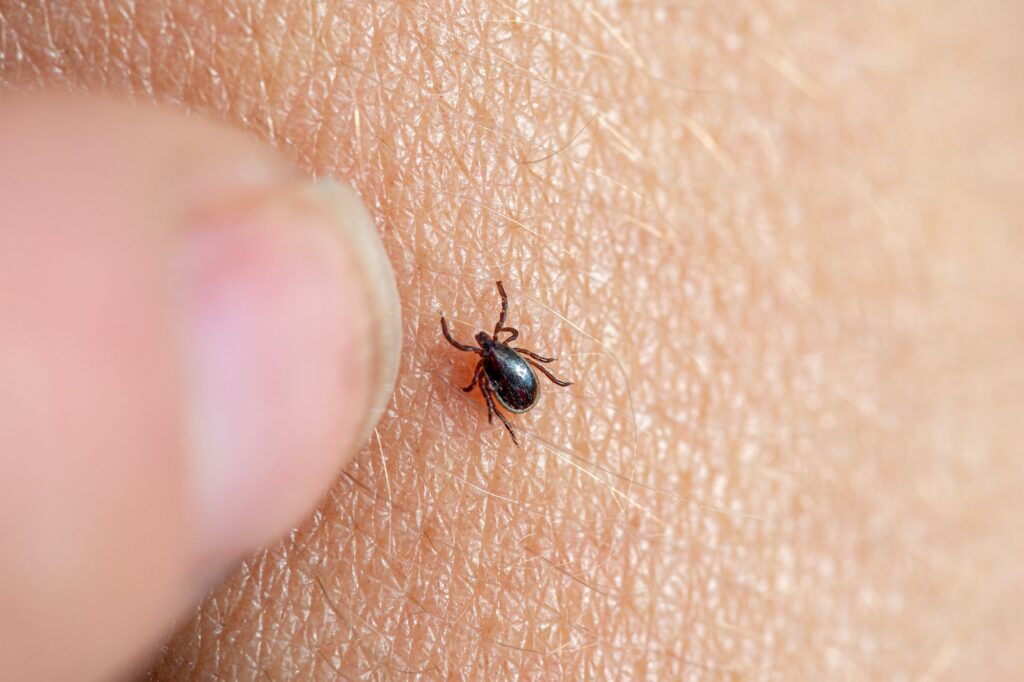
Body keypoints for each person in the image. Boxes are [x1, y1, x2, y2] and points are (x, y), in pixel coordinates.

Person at [1, 2, 1022, 679]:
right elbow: (500, 362)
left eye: (494, 357)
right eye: (493, 359)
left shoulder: (491, 369)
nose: (490, 359)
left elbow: (496, 365)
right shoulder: (492, 364)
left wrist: (499, 378)